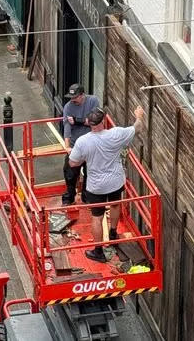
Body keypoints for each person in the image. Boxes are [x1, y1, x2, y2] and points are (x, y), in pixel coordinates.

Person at [69, 106, 145, 263]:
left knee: (97, 217)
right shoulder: (116, 134)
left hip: (96, 186)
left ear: (89, 123)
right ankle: (112, 233)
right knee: (115, 205)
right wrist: (139, 115)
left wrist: (83, 157)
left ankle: (98, 252)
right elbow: (138, 128)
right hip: (115, 181)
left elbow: (73, 163)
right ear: (103, 121)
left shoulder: (83, 142)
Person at [61, 84, 100, 205]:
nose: (72, 100)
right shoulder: (68, 107)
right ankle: (69, 196)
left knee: (91, 172)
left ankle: (87, 197)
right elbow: (67, 127)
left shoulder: (92, 101)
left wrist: (78, 121)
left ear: (82, 95)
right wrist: (68, 147)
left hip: (91, 143)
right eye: (71, 97)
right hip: (76, 145)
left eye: (75, 97)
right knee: (69, 171)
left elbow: (96, 122)